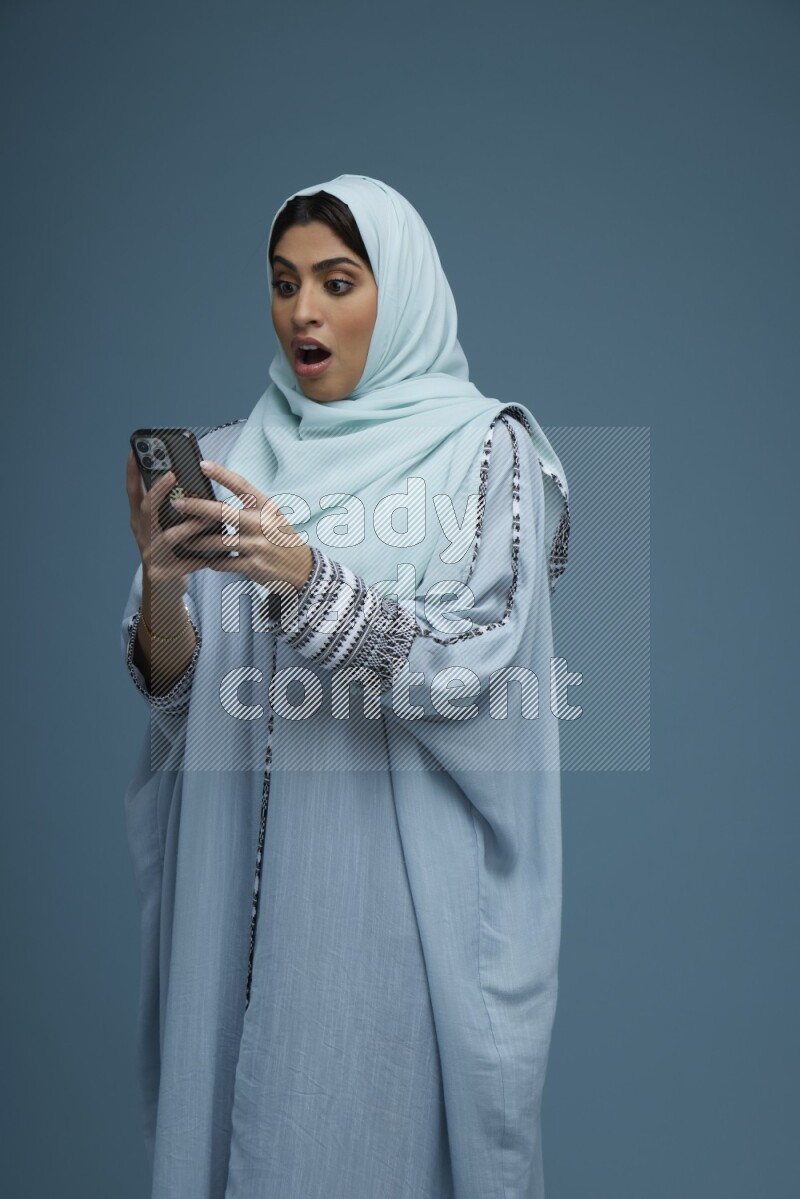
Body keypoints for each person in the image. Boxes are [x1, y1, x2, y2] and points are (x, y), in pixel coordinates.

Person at [121, 174, 571, 1199]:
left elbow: (479, 662)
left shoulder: (485, 453)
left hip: (386, 907)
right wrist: (162, 585)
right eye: (284, 284)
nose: (303, 313)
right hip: (224, 901)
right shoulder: (229, 460)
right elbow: (180, 704)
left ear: (397, 294)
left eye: (336, 281)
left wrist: (306, 578)